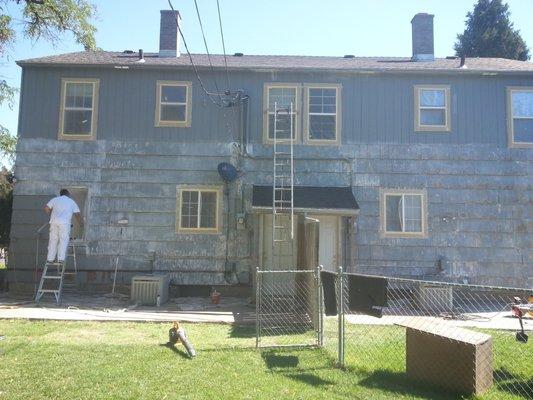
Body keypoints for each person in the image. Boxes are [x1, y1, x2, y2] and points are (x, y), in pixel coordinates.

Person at [44, 189, 83, 264]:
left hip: (54, 222)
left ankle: (50, 259)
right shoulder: (71, 201)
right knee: (63, 240)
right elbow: (77, 214)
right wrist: (81, 223)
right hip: (64, 223)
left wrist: (51, 216)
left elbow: (46, 208)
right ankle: (61, 259)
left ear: (61, 194)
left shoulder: (55, 199)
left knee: (53, 240)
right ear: (68, 194)